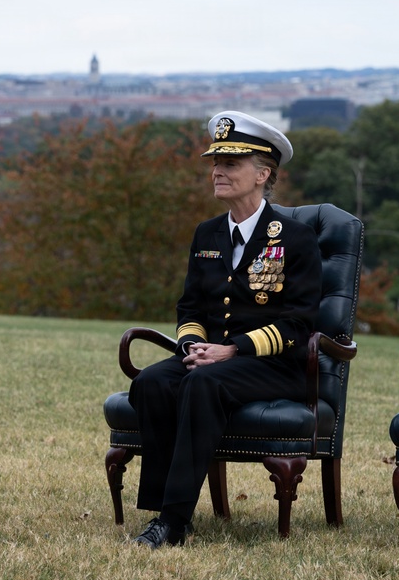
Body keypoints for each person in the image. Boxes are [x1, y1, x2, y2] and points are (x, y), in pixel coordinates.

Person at [128, 111, 321, 549]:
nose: (217, 170)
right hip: (211, 359)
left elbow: (299, 324)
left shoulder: (294, 238)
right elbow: (190, 306)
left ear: (262, 174)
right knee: (152, 382)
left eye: (231, 164)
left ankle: (173, 522)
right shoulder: (207, 234)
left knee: (204, 384)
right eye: (215, 162)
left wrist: (230, 350)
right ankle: (164, 509)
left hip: (273, 365)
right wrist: (193, 345)